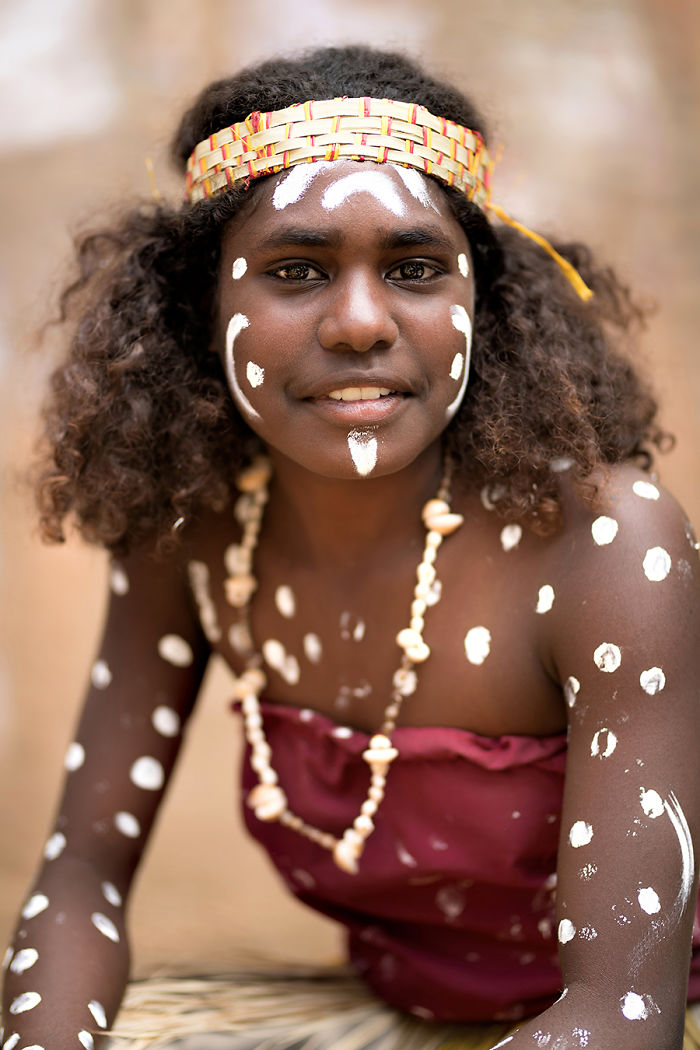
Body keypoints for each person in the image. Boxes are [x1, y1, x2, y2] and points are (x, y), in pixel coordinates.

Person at [2, 43, 700, 1050]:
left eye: (415, 269)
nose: (363, 321)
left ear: (482, 309)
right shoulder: (196, 531)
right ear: (201, 316)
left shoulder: (605, 547)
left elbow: (617, 1011)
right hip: (388, 1014)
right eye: (295, 270)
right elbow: (81, 875)